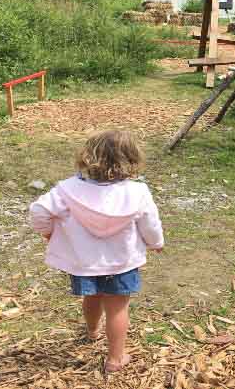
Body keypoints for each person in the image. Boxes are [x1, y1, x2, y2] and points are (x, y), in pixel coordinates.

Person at [29, 130, 164, 373]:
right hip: (121, 262)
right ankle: (115, 359)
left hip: (84, 261)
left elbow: (38, 211)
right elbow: (150, 223)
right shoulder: (137, 192)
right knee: (117, 308)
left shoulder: (67, 190)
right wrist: (155, 242)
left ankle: (92, 332)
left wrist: (48, 232)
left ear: (88, 156)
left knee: (92, 297)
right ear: (130, 160)